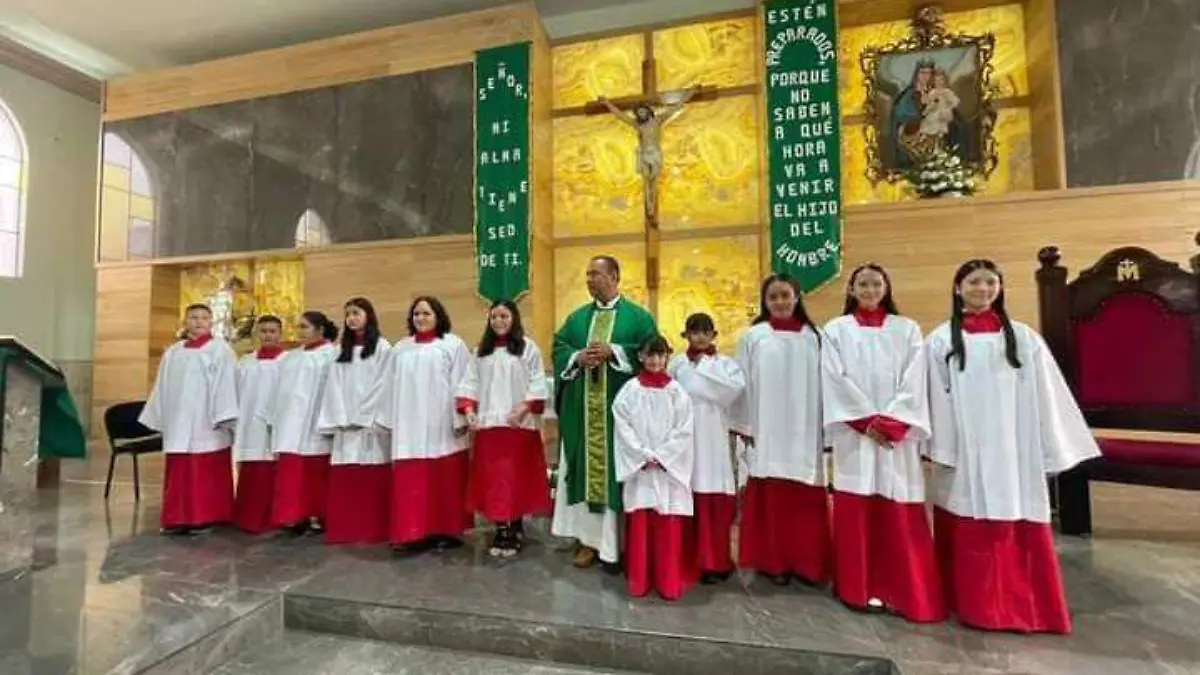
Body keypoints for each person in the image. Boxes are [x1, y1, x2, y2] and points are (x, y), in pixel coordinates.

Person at [925, 259, 1100, 634]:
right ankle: (975, 607)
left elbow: (1048, 395)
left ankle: (1027, 608)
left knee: (1016, 516)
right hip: (966, 451)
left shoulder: (1023, 338)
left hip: (1014, 448)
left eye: (991, 282)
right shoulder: (941, 340)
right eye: (974, 282)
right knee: (968, 516)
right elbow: (934, 398)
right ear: (958, 289)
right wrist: (943, 448)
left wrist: (1049, 445)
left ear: (1000, 288)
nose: (983, 289)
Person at [821, 264, 945, 623]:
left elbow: (915, 379)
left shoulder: (906, 330)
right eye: (863, 283)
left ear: (886, 287)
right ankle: (856, 587)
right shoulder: (835, 330)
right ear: (851, 288)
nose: (870, 289)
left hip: (896, 436)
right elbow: (833, 377)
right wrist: (864, 420)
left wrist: (892, 422)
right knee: (855, 505)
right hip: (855, 434)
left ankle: (902, 587)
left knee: (898, 502)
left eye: (876, 283)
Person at [551, 256, 659, 569]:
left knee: (617, 473)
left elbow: (654, 351)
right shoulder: (577, 318)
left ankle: (620, 543)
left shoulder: (637, 318)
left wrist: (617, 352)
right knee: (585, 472)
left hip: (619, 416)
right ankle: (588, 542)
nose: (588, 280)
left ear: (614, 276)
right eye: (586, 275)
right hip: (583, 413)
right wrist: (576, 357)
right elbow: (558, 348)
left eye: (595, 274)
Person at [731, 274, 830, 586]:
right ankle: (773, 563)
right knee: (771, 497)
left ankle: (808, 563)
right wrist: (744, 425)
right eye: (773, 297)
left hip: (806, 429)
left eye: (785, 295)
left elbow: (829, 383)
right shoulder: (754, 336)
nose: (780, 302)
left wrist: (828, 429)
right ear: (765, 301)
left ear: (797, 297)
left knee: (804, 501)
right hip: (767, 427)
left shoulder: (816, 337)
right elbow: (741, 383)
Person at [372, 296, 472, 554]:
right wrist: (387, 420)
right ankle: (411, 533)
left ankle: (446, 530)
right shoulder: (401, 348)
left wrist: (461, 417)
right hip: (410, 424)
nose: (421, 318)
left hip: (442, 424)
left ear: (438, 316)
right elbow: (388, 385)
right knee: (412, 479)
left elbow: (464, 381)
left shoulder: (453, 344)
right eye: (416, 314)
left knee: (444, 477)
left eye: (426, 313)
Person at [456, 300, 551, 557]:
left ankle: (514, 524)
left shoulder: (528, 348)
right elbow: (469, 382)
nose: (499, 321)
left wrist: (523, 408)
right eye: (495, 316)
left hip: (518, 424)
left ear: (514, 318)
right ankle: (501, 528)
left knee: (516, 478)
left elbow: (537, 381)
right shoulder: (480, 352)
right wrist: (468, 411)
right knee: (495, 480)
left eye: (504, 316)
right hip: (490, 426)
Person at [139, 303, 239, 535]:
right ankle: (178, 518)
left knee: (204, 470)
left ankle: (207, 517)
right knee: (180, 471)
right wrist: (162, 416)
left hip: (207, 421)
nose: (199, 322)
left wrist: (224, 415)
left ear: (211, 322)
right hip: (178, 422)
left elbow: (227, 384)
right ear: (185, 322)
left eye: (204, 318)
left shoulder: (220, 350)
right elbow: (162, 387)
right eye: (193, 317)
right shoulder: (173, 352)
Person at [613, 335, 696, 601]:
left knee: (667, 523)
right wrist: (642, 455)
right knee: (641, 523)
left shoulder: (677, 392)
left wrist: (662, 456)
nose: (655, 360)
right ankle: (640, 580)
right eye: (650, 355)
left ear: (667, 357)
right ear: (640, 357)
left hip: (666, 469)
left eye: (660, 355)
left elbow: (684, 429)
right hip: (641, 470)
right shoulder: (629, 390)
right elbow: (622, 424)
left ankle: (667, 581)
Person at [666, 313, 745, 584]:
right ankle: (688, 558)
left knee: (713, 498)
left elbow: (734, 390)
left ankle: (715, 561)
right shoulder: (676, 365)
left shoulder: (725, 365)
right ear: (685, 335)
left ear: (713, 335)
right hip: (685, 438)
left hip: (713, 438)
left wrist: (702, 370)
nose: (699, 337)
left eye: (704, 332)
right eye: (693, 331)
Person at [318, 298, 392, 545]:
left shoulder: (383, 348)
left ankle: (373, 529)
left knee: (371, 474)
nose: (351, 318)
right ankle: (345, 529)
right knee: (346, 473)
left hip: (370, 424)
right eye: (347, 314)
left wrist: (363, 416)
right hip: (345, 424)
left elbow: (385, 385)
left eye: (356, 313)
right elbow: (333, 386)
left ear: (368, 316)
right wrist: (340, 416)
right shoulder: (340, 350)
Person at [269, 311, 339, 536]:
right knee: (291, 471)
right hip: (290, 422)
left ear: (320, 330)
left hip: (314, 421)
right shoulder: (290, 357)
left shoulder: (331, 354)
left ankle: (316, 515)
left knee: (314, 472)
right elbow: (279, 391)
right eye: (298, 327)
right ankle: (292, 516)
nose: (300, 332)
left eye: (305, 327)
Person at [232, 315, 286, 535]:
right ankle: (247, 516)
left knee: (273, 468)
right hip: (249, 421)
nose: (268, 335)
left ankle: (274, 517)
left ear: (280, 333)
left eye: (272, 331)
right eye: (263, 331)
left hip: (277, 422)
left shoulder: (288, 361)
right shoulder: (245, 362)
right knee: (251, 469)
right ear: (257, 333)